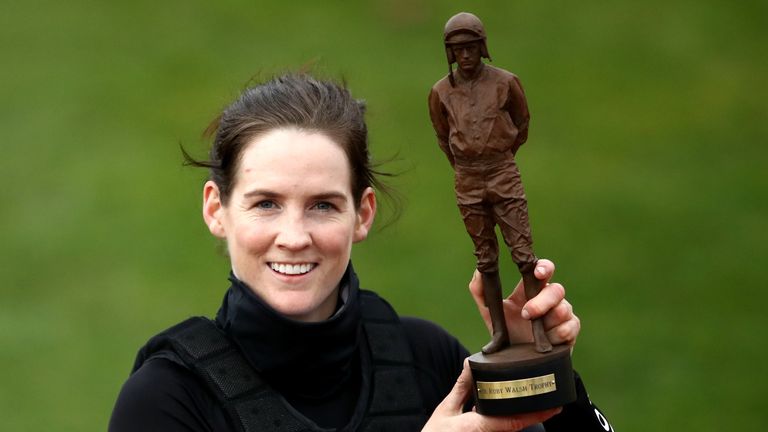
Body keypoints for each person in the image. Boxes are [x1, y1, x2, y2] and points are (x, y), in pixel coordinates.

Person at [109, 73, 612, 431]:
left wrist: (545, 370)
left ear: (362, 214)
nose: (294, 235)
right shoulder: (166, 400)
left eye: (323, 205)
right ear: (217, 209)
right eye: (266, 204)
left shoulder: (428, 360)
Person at [428, 12, 548, 355]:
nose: (465, 56)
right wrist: (465, 165)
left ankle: (537, 326)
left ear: (482, 47)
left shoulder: (505, 83)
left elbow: (521, 122)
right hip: (467, 177)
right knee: (486, 260)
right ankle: (500, 333)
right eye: (458, 49)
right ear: (450, 53)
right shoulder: (440, 93)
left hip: (501, 171)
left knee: (524, 255)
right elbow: (441, 135)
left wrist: (500, 156)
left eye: (471, 48)